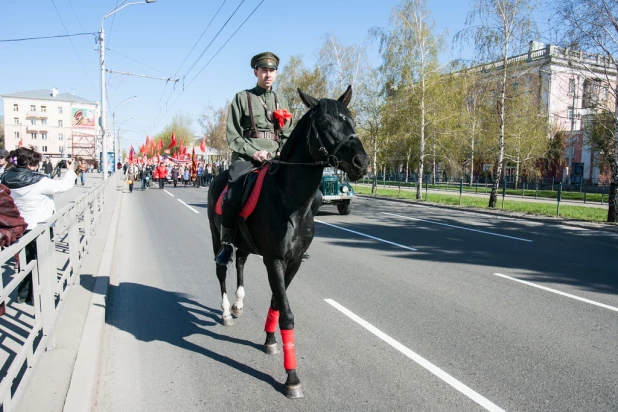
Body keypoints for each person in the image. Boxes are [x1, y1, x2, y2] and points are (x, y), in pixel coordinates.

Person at [216, 51, 294, 266]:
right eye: (264, 70)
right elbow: (233, 134)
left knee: (307, 195)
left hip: (277, 157)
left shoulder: (282, 100)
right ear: (256, 72)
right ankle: (227, 243)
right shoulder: (242, 98)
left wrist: (282, 151)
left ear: (276, 73)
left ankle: (295, 241)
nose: (268, 75)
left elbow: (288, 133)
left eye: (272, 71)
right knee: (232, 195)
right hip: (247, 156)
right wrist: (254, 152)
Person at [1, 147, 76, 303]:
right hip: (40, 228)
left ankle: (23, 295)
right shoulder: (39, 181)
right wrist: (70, 171)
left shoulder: (5, 178)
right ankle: (39, 297)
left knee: (24, 262)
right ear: (29, 164)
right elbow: (64, 186)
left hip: (19, 228)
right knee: (41, 262)